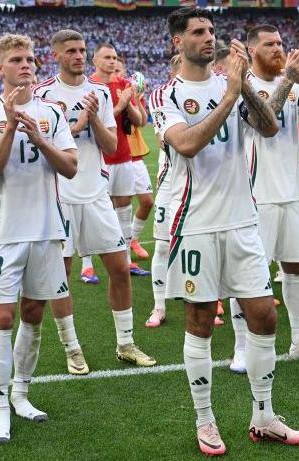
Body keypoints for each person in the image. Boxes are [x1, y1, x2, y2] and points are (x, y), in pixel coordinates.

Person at [153, 7, 299, 455]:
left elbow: (270, 126)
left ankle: (264, 415)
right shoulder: (167, 94)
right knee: (201, 320)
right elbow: (186, 143)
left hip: (243, 220)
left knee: (264, 314)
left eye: (211, 31)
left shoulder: (232, 86)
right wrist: (229, 95)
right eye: (198, 32)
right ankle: (205, 421)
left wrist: (243, 90)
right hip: (195, 224)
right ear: (177, 42)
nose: (208, 38)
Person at [0, 33, 78, 444]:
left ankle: (21, 395)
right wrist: (11, 128)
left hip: (48, 230)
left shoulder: (52, 112)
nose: (27, 65)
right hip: (5, 233)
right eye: (17, 59)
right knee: (2, 317)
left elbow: (69, 167)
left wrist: (39, 137)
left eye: (31, 59)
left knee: (34, 314)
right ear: (0, 67)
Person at [34, 29, 156, 372]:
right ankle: (72, 348)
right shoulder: (43, 94)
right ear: (56, 55)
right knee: (63, 275)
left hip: (96, 194)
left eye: (81, 50)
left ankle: (126, 343)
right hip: (60, 198)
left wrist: (94, 120)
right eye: (70, 50)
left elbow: (112, 145)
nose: (77, 55)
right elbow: (42, 145)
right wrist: (77, 124)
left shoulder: (99, 92)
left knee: (119, 269)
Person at [227, 24, 299, 372]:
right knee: (248, 274)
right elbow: (264, 123)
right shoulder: (242, 86)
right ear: (253, 51)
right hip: (255, 195)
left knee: (296, 267)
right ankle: (241, 347)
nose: (278, 48)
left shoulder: (290, 83)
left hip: (293, 192)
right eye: (269, 44)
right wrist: (291, 80)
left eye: (280, 42)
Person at [90, 43, 150, 277]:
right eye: (107, 57)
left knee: (123, 208)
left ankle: (125, 260)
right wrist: (122, 104)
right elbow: (95, 120)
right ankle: (87, 266)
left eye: (114, 57)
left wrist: (131, 101)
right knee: (95, 210)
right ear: (95, 60)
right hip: (99, 157)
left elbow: (138, 122)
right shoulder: (89, 86)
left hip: (124, 155)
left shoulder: (124, 85)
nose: (112, 61)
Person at [145, 54, 182, 328]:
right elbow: (163, 141)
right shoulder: (162, 97)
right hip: (171, 181)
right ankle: (159, 306)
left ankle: (210, 300)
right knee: (162, 245)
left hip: (204, 182)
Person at [114, 57, 155, 261]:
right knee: (118, 204)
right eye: (116, 70)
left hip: (135, 155)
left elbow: (143, 121)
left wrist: (136, 99)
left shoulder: (131, 92)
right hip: (115, 156)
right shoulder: (105, 91)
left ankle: (133, 239)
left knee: (147, 201)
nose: (119, 74)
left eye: (121, 70)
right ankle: (117, 248)